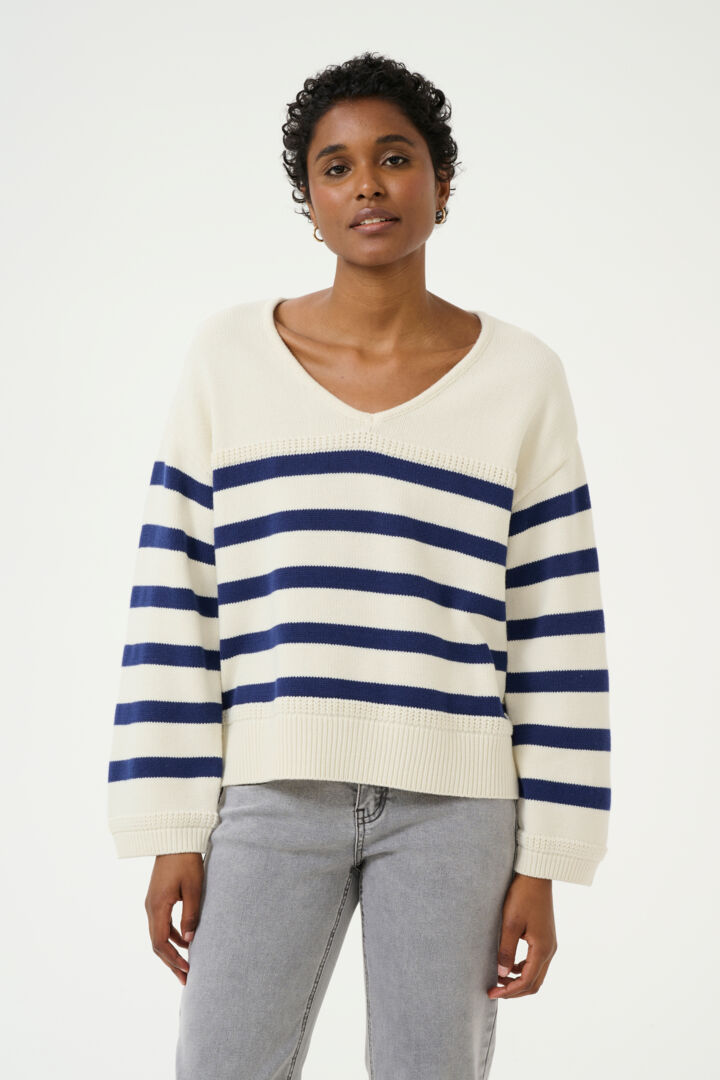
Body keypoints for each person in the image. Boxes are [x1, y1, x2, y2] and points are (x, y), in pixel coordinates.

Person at [107, 51, 611, 1080]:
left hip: (458, 813)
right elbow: (177, 595)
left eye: (395, 157)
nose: (368, 185)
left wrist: (548, 860)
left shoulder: (522, 378)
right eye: (336, 167)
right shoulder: (228, 359)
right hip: (269, 795)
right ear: (310, 200)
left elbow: (556, 626)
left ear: (442, 183)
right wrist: (172, 825)